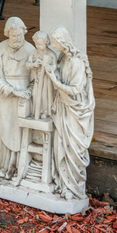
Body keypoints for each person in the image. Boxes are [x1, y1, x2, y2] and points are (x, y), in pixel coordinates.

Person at [43, 27, 95, 200]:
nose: (53, 44)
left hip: (75, 110)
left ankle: (74, 188)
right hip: (63, 107)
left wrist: (54, 80)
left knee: (73, 148)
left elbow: (76, 89)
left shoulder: (76, 63)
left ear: (63, 42)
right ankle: (64, 185)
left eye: (56, 41)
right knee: (61, 146)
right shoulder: (63, 57)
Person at [0, 17, 35, 183]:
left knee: (23, 132)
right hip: (6, 98)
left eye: (20, 35)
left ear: (24, 32)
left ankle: (23, 170)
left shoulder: (31, 50)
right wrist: (12, 91)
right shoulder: (0, 49)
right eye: (13, 36)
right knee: (6, 128)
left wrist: (29, 91)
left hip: (25, 99)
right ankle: (6, 168)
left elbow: (36, 79)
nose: (17, 39)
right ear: (8, 34)